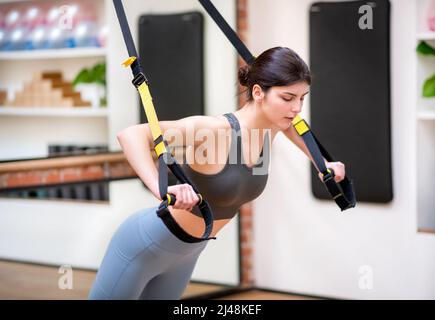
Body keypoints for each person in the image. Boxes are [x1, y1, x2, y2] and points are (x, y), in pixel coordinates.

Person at [87, 46, 346, 300]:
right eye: (288, 98)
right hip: (144, 245)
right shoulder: (214, 131)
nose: (297, 108)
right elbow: (131, 135)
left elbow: (295, 130)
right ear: (258, 92)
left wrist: (322, 164)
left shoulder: (272, 128)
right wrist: (161, 189)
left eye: (302, 98)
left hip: (187, 254)